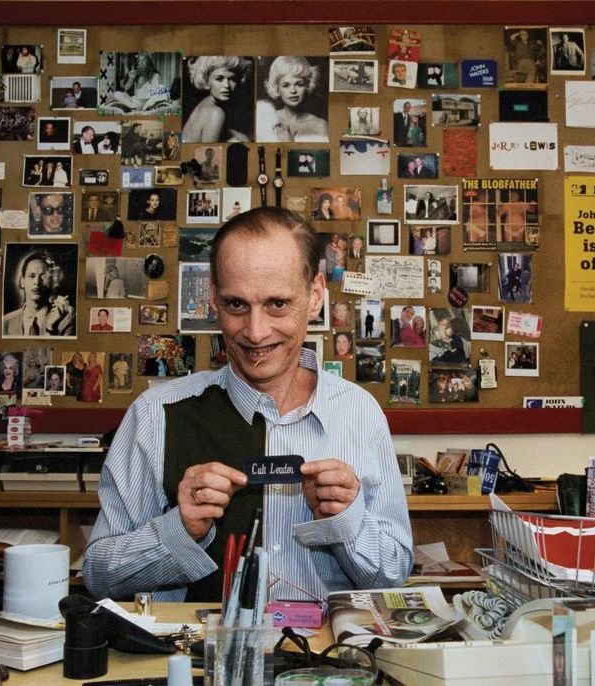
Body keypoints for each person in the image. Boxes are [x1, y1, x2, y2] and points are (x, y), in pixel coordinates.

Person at [82, 207, 412, 602]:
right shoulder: (156, 414)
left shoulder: (359, 414)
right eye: (237, 305)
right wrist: (179, 530)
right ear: (214, 302)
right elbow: (98, 575)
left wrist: (347, 521)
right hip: (195, 660)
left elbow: (393, 577)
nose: (256, 333)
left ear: (315, 297)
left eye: (277, 304)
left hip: (323, 660)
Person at [3, 250, 76, 337]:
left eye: (43, 276)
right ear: (22, 281)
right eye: (32, 276)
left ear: (52, 282)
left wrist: (51, 328)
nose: (37, 282)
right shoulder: (6, 321)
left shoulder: (67, 319)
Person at [257, 56, 328, 142]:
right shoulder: (266, 120)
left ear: (307, 85)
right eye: (286, 85)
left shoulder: (321, 126)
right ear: (277, 89)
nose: (293, 91)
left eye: (299, 84)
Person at [182, 55, 252, 143]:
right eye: (219, 78)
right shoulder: (216, 113)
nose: (226, 85)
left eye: (232, 79)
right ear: (207, 80)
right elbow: (209, 154)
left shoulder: (206, 102)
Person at [108, 53, 173, 112]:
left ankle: (141, 108)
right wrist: (131, 78)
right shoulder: (136, 74)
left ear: (148, 63)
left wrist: (147, 79)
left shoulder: (155, 75)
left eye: (143, 62)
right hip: (135, 101)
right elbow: (126, 88)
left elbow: (155, 92)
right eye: (139, 62)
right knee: (117, 94)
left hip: (148, 101)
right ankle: (134, 107)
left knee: (162, 95)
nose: (140, 64)